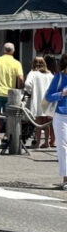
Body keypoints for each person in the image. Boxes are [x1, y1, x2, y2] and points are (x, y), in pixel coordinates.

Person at [0, 42, 24, 148]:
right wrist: (19, 90)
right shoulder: (16, 63)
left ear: (3, 50)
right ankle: (7, 139)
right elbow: (21, 78)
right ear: (13, 51)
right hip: (10, 93)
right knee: (9, 117)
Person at [44, 53, 67, 190]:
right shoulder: (59, 78)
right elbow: (48, 96)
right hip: (61, 116)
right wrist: (61, 94)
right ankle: (65, 178)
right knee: (63, 148)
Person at [24, 57, 55, 148]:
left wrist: (30, 91)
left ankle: (37, 143)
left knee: (39, 123)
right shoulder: (50, 74)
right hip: (48, 99)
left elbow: (27, 84)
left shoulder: (33, 73)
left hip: (38, 99)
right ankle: (46, 142)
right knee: (46, 123)